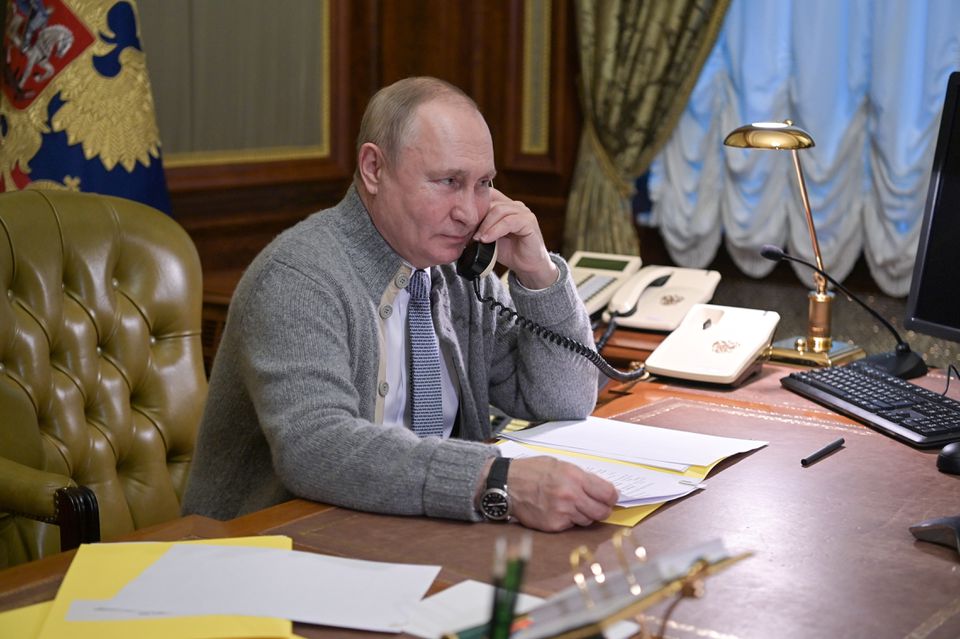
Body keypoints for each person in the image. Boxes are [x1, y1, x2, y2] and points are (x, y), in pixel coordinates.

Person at [182, 76, 618, 531]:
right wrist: (495, 480)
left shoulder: (461, 274)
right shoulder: (299, 277)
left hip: (411, 532)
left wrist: (538, 275)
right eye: (448, 181)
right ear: (373, 169)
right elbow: (315, 448)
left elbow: (563, 401)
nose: (469, 212)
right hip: (275, 546)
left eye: (483, 183)